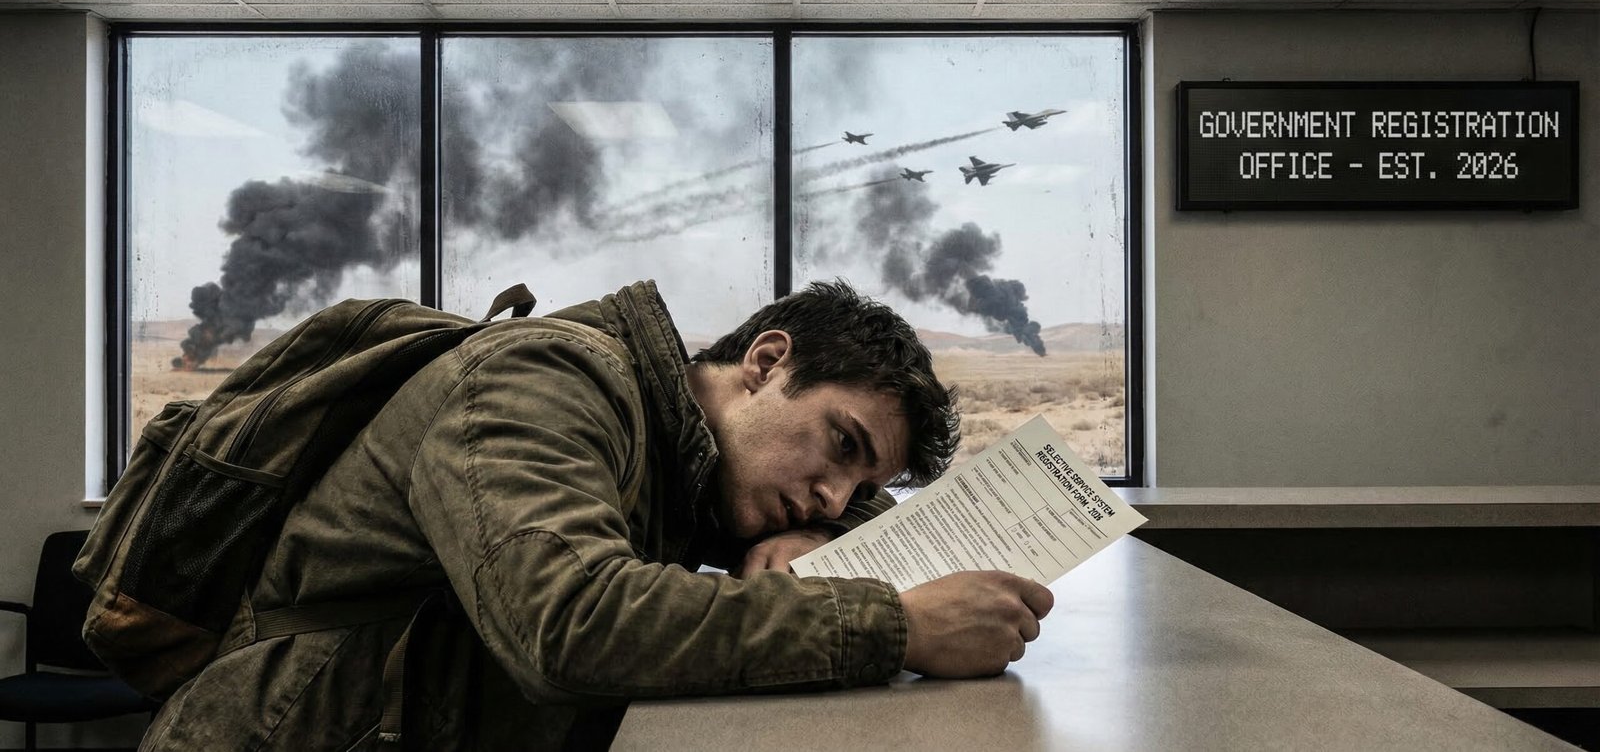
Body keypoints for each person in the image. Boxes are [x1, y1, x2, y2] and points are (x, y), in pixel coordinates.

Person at [138, 279, 1054, 751]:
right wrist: (892, 625)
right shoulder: (544, 378)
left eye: (859, 485)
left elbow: (846, 509)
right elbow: (567, 620)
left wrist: (812, 532)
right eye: (842, 446)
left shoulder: (689, 458)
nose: (834, 491)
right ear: (767, 361)